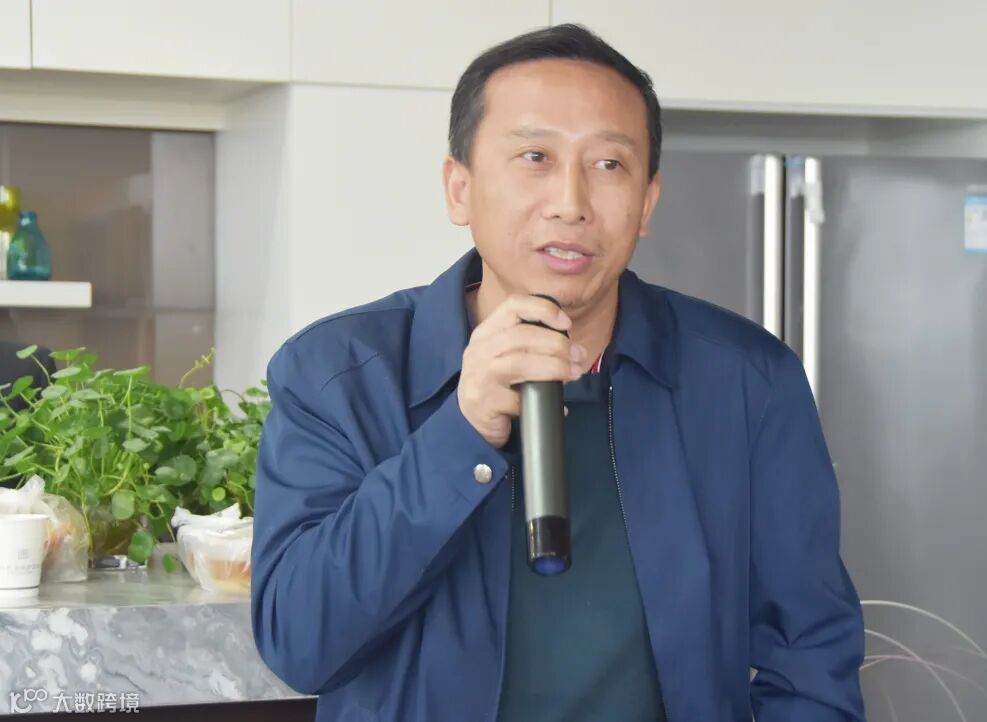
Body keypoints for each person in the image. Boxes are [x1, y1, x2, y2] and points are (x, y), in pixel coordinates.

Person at [251, 23, 866, 722]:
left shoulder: (748, 382)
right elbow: (300, 644)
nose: (571, 202)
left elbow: (811, 660)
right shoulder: (336, 374)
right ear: (459, 188)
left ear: (647, 203)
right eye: (535, 156)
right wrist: (461, 434)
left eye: (608, 164)